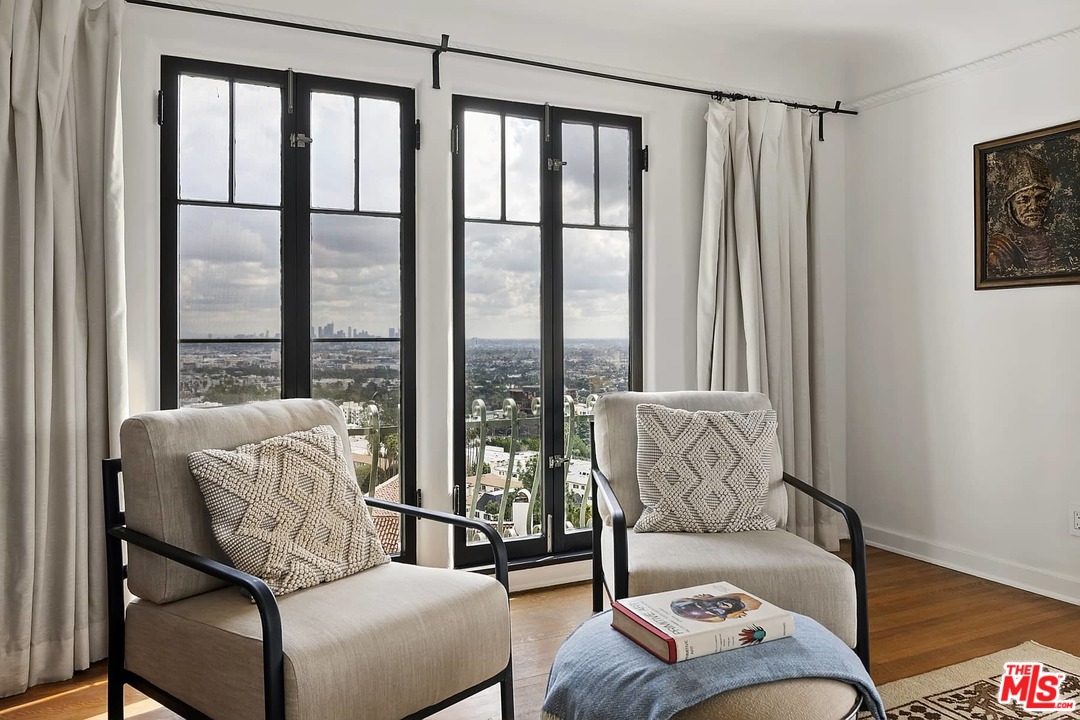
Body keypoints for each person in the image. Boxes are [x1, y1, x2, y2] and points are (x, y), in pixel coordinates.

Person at [986, 150, 1063, 278]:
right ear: (1010, 205)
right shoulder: (1001, 250)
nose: (1033, 206)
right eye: (1024, 200)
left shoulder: (1057, 240)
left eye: (1040, 198)